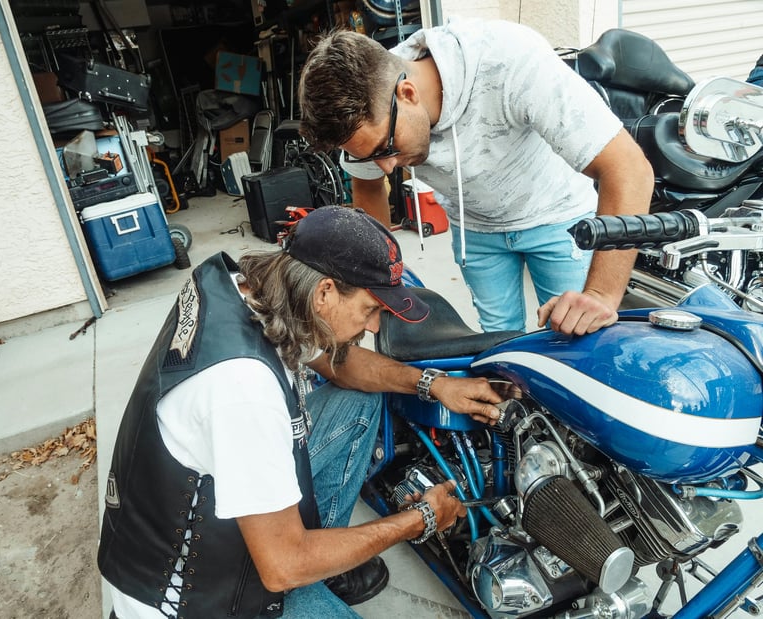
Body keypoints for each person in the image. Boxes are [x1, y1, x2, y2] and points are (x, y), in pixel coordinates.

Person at [97, 205, 505, 618]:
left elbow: (343, 367)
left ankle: (323, 559)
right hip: (195, 595)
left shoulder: (252, 292)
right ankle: (316, 560)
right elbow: (281, 567)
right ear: (325, 292)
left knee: (361, 397)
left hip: (201, 521)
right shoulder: (244, 390)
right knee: (293, 567)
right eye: (370, 310)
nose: (375, 328)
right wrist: (420, 519)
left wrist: (433, 383)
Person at [298, 18, 655, 335]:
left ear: (407, 94)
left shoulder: (508, 60)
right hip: (476, 232)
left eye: (385, 149)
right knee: (500, 346)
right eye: (370, 156)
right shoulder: (369, 107)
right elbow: (369, 187)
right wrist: (376, 278)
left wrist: (601, 294)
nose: (388, 167)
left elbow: (629, 169)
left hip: (557, 219)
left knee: (576, 339)